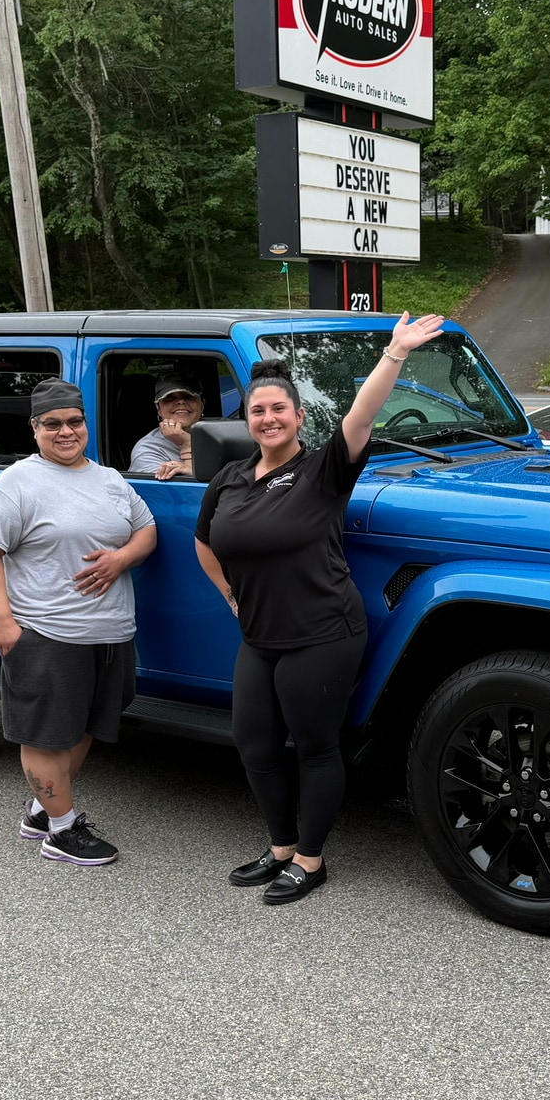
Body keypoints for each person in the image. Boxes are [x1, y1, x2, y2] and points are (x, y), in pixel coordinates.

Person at [194, 312, 447, 904]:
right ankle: (280, 848)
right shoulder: (230, 478)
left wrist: (396, 354)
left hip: (323, 632)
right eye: (258, 411)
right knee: (254, 743)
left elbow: (361, 415)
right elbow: (205, 542)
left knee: (314, 746)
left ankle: (310, 859)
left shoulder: (324, 470)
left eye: (279, 409)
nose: (268, 418)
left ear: (299, 416)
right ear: (247, 420)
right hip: (260, 634)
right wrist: (231, 596)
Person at [0, 378, 158, 866]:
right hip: (49, 631)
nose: (65, 431)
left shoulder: (109, 479)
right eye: (52, 424)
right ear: (35, 428)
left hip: (111, 631)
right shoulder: (17, 483)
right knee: (46, 733)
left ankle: (41, 809)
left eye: (74, 422)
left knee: (84, 725)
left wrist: (121, 559)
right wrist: (4, 623)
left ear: (85, 425)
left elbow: (147, 529)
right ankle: (61, 830)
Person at [129, 377, 204, 479]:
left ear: (202, 405)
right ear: (158, 408)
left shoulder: (219, 436)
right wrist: (186, 445)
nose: (181, 401)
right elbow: (175, 491)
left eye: (189, 396)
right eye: (170, 398)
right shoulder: (146, 450)